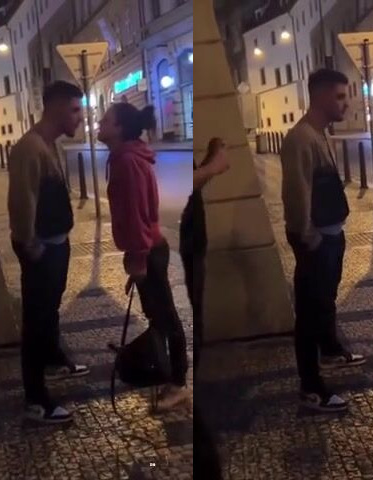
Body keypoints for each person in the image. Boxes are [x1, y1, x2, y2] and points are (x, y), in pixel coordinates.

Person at [280, 69, 366, 413]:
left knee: (324, 302)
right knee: (309, 314)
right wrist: (309, 238)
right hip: (316, 241)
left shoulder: (320, 133)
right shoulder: (301, 138)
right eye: (340, 96)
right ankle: (311, 388)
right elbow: (297, 193)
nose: (346, 103)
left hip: (330, 237)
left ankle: (330, 351)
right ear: (320, 96)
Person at [97, 102, 190, 411]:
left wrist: (138, 258)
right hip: (146, 248)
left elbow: (137, 212)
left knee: (166, 317)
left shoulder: (127, 161)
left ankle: (178, 383)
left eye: (105, 120)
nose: (99, 123)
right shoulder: (124, 157)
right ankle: (157, 362)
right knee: (157, 315)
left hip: (149, 249)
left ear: (119, 128)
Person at [7, 80, 89, 423]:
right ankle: (36, 400)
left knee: (49, 310)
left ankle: (54, 360)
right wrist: (30, 245)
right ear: (55, 107)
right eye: (74, 110)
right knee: (36, 321)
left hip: (55, 244)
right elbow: (21, 201)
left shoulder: (50, 144)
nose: (80, 117)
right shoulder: (30, 148)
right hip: (41, 249)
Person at [181, 135, 230, 479]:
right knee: (188, 321)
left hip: (192, 243)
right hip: (183, 245)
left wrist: (210, 162)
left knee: (193, 319)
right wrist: (214, 166)